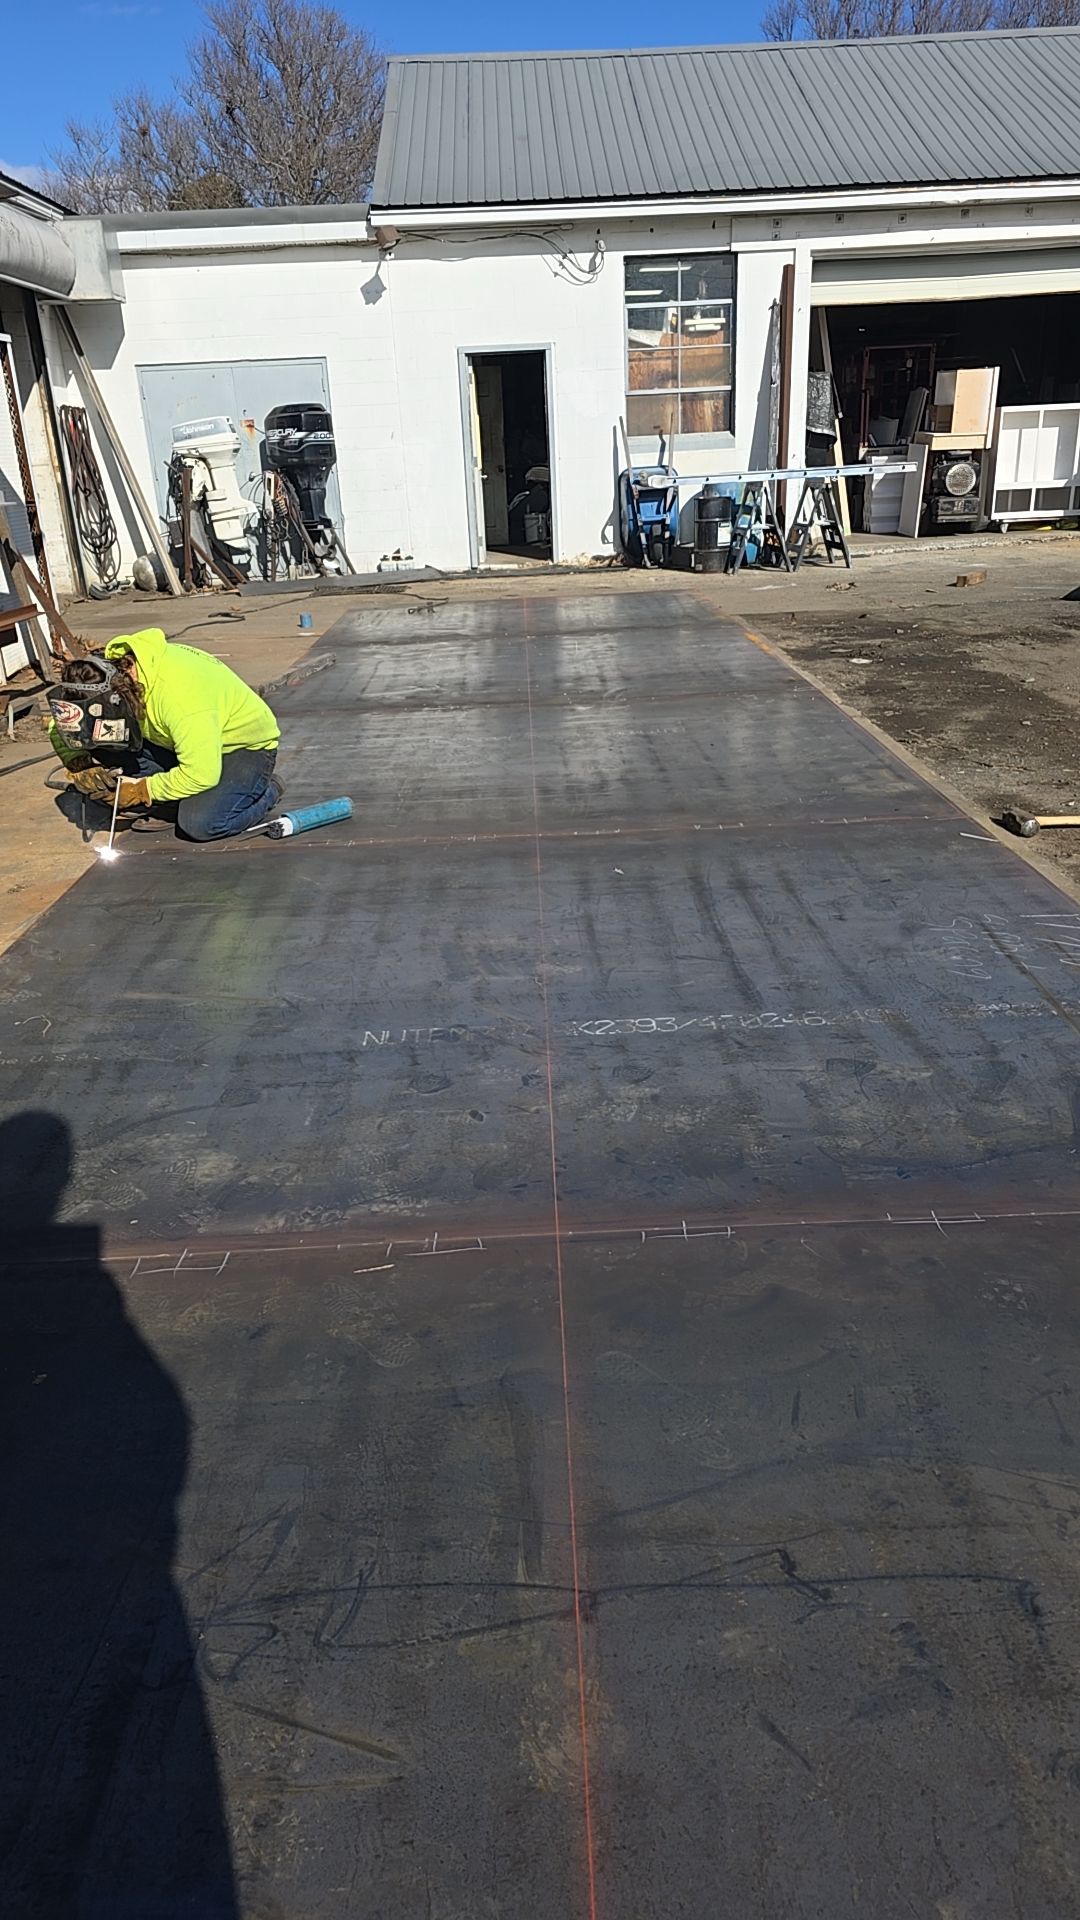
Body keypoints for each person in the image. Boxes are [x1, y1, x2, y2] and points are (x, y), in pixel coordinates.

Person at [54, 627, 282, 840]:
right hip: (180, 740)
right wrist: (79, 763)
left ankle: (267, 789)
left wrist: (140, 790)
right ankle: (172, 800)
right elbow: (59, 724)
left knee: (201, 823)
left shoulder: (181, 700)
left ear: (116, 697)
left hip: (241, 748)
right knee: (99, 736)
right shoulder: (114, 674)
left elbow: (201, 775)